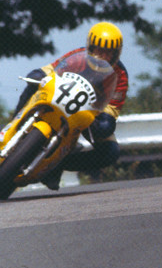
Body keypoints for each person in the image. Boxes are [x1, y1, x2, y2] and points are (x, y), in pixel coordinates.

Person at [13, 22, 129, 189]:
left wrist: (102, 122)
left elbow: (112, 111)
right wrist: (39, 75)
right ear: (90, 47)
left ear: (116, 53)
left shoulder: (120, 75)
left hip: (87, 116)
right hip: (58, 100)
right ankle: (16, 123)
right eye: (98, 50)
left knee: (111, 152)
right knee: (32, 84)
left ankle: (57, 164)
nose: (102, 56)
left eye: (108, 52)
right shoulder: (78, 56)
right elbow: (51, 69)